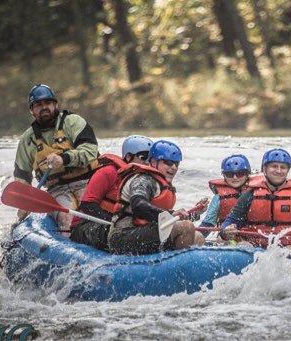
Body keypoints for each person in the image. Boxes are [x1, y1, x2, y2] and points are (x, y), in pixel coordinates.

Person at [13, 84, 99, 232]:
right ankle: (72, 250)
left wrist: (64, 158)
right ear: (31, 110)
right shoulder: (27, 140)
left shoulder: (73, 122)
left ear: (55, 104)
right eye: (38, 105)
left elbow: (90, 150)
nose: (44, 107)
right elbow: (22, 176)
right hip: (57, 190)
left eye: (47, 103)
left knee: (93, 213)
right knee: (67, 219)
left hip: (88, 182)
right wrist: (24, 203)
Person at [220, 148, 291, 262]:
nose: (278, 171)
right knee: (243, 246)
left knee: (289, 251)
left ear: (288, 170)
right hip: (257, 247)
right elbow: (231, 220)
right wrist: (226, 230)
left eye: (283, 167)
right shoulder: (249, 195)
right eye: (274, 166)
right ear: (264, 169)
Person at [108, 140, 205, 255]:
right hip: (123, 236)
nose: (174, 167)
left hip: (146, 233)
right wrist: (169, 214)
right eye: (168, 162)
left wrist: (196, 214)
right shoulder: (143, 179)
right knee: (186, 227)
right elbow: (138, 205)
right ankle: (177, 268)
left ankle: (178, 265)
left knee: (198, 237)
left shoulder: (160, 184)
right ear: (153, 162)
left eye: (176, 164)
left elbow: (165, 218)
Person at [70, 135, 153, 250]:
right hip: (85, 225)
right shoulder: (108, 172)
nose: (148, 163)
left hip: (120, 226)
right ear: (128, 157)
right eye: (144, 158)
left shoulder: (146, 182)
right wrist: (114, 223)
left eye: (151, 159)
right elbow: (88, 205)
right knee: (117, 236)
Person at [200, 154, 254, 228]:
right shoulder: (219, 198)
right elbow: (208, 224)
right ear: (224, 176)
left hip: (254, 234)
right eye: (229, 174)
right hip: (227, 236)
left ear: (247, 174)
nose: (235, 178)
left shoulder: (257, 193)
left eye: (240, 174)